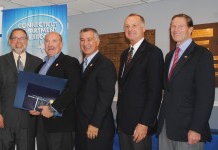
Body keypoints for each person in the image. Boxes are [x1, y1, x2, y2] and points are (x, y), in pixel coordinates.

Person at [157, 13, 215, 150]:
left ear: (190, 29)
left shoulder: (202, 55)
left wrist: (196, 128)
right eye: (173, 26)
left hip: (188, 130)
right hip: (166, 127)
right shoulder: (169, 56)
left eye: (181, 26)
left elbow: (206, 96)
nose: (176, 29)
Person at [116, 13, 164, 150]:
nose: (130, 29)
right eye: (127, 26)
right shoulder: (125, 54)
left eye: (134, 25)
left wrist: (145, 123)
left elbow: (155, 92)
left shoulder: (153, 53)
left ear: (144, 28)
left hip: (140, 125)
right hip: (123, 124)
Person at [0, 28, 42, 150]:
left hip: (28, 119)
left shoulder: (38, 62)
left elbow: (40, 90)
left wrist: (38, 107)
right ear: (9, 41)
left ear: (27, 41)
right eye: (15, 38)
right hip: (4, 119)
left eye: (22, 38)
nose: (18, 41)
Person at [30, 31, 81, 150]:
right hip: (42, 125)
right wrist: (35, 107)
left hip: (60, 125)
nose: (50, 44)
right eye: (47, 41)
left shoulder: (70, 62)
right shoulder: (40, 66)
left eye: (54, 41)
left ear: (61, 44)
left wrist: (53, 109)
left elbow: (73, 88)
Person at [75, 28, 117, 150]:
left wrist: (95, 123)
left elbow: (105, 97)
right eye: (82, 40)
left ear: (98, 42)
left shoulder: (105, 64)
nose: (85, 43)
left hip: (97, 128)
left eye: (89, 39)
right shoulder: (81, 66)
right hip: (82, 127)